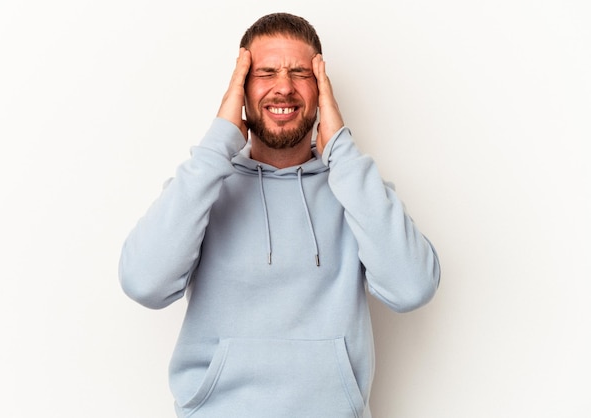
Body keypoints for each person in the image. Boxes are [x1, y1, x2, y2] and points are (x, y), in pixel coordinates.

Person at [119, 12, 440, 418]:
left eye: (301, 73)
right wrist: (220, 138)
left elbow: (413, 287)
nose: (284, 86)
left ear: (322, 89)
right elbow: (144, 283)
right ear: (241, 88)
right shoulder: (204, 187)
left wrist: (340, 150)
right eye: (266, 72)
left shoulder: (356, 190)